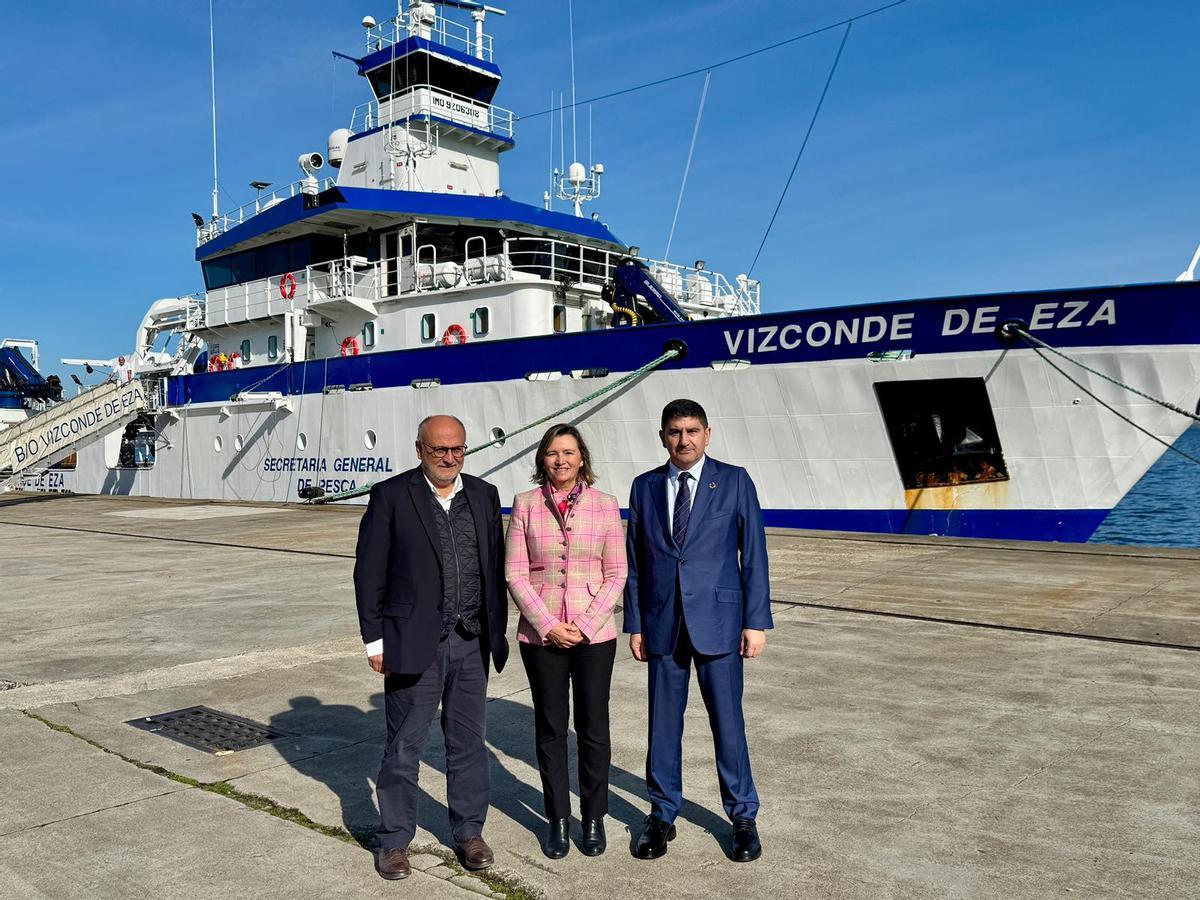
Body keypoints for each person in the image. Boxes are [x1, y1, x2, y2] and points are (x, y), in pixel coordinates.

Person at [354, 414, 509, 880]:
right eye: (439, 449)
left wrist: (494, 631)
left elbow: (494, 566)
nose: (449, 458)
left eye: (457, 449)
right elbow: (369, 573)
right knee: (404, 744)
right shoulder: (391, 496)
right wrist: (374, 639)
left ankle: (469, 832)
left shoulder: (484, 495)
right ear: (419, 449)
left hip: (470, 641)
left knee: (467, 744)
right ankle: (395, 840)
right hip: (412, 641)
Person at [623, 398, 773, 863]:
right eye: (674, 431)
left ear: (708, 434)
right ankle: (662, 813)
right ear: (662, 436)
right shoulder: (645, 486)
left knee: (728, 723)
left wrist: (756, 621)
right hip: (663, 623)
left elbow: (755, 553)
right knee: (663, 726)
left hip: (721, 622)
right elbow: (636, 561)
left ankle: (742, 816)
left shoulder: (733, 481)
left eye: (692, 431)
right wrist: (635, 624)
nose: (683, 440)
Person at [505, 423, 627, 859]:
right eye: (553, 453)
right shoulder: (525, 505)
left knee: (594, 728)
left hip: (594, 636)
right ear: (542, 459)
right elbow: (515, 573)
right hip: (541, 637)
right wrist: (547, 625)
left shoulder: (606, 506)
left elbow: (617, 573)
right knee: (551, 728)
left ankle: (594, 817)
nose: (561, 460)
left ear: (582, 458)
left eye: (569, 452)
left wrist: (587, 624)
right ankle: (557, 817)